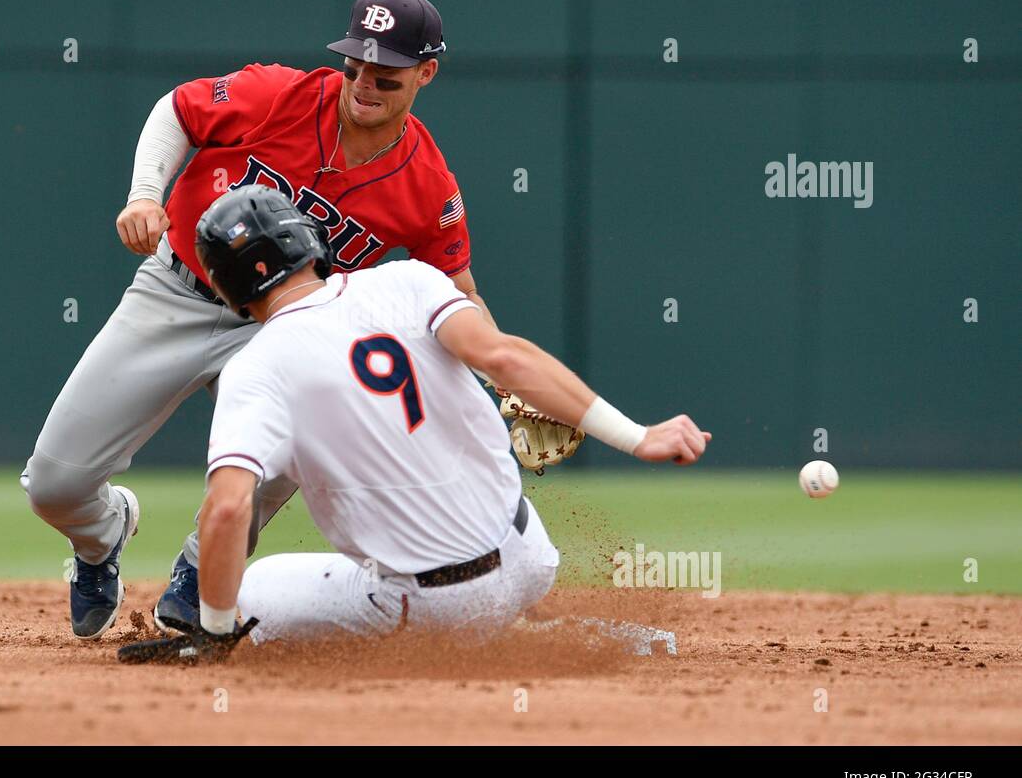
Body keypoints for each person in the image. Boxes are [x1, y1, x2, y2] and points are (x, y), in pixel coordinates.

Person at [21, 0, 494, 639]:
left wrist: (509, 378)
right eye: (356, 63)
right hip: (179, 290)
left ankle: (200, 568)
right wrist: (145, 194)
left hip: (286, 326)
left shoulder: (427, 183)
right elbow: (178, 111)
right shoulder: (281, 94)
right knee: (53, 483)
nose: (364, 81)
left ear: (425, 73)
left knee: (310, 423)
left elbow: (456, 290)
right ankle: (103, 536)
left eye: (386, 73)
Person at [140, 185, 711, 658]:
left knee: (255, 591)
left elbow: (229, 508)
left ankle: (483, 641)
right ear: (305, 239)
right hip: (529, 555)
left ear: (226, 287)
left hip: (433, 606)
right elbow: (505, 357)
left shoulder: (255, 368)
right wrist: (639, 436)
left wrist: (214, 633)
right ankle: (560, 638)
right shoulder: (406, 280)